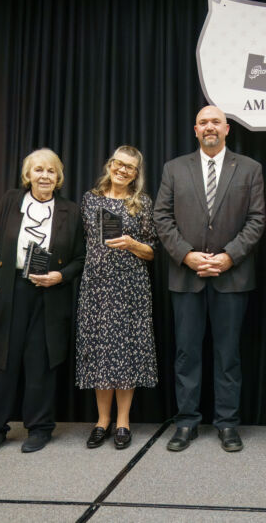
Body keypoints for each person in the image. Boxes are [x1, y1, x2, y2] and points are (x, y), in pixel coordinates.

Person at [153, 105, 265, 453]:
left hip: (231, 277)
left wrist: (228, 257)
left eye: (216, 121)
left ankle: (227, 423)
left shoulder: (250, 168)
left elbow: (257, 220)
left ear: (227, 128)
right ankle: (186, 421)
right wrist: (187, 255)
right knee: (187, 354)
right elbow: (162, 216)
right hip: (186, 277)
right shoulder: (175, 168)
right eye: (203, 122)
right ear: (195, 129)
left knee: (228, 354)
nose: (209, 127)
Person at [0, 148, 84, 454]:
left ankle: (40, 427)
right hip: (12, 291)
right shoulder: (10, 201)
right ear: (28, 175)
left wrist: (60, 276)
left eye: (51, 171)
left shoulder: (70, 210)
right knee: (4, 360)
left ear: (59, 177)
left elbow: (81, 258)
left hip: (50, 295)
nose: (45, 176)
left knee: (41, 361)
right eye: (38, 170)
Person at [76, 146, 158, 450]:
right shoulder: (90, 199)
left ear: (137, 174)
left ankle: (123, 421)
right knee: (100, 352)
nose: (123, 170)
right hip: (96, 286)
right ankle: (102, 420)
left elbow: (152, 251)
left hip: (130, 286)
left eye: (130, 168)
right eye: (119, 164)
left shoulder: (142, 204)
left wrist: (132, 244)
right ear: (110, 165)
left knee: (127, 352)